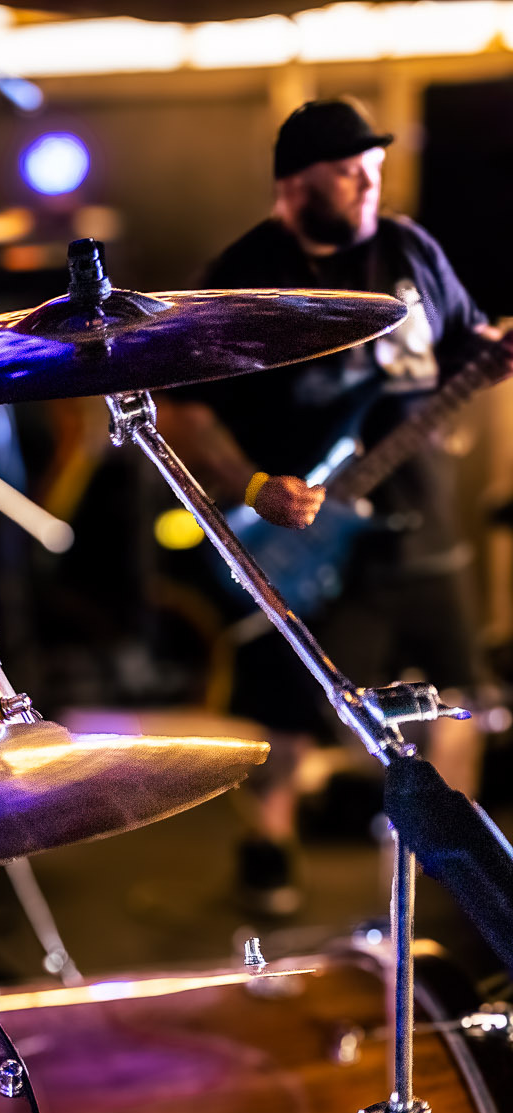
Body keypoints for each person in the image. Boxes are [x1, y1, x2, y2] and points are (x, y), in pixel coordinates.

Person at [158, 98, 500, 914]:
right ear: (294, 185)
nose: (368, 184)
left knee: (460, 695)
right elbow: (182, 408)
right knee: (294, 708)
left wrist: (494, 356)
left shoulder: (410, 249)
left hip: (422, 521)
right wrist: (252, 486)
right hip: (307, 527)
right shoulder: (245, 274)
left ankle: (460, 868)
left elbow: (468, 342)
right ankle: (269, 849)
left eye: (372, 168)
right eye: (347, 172)